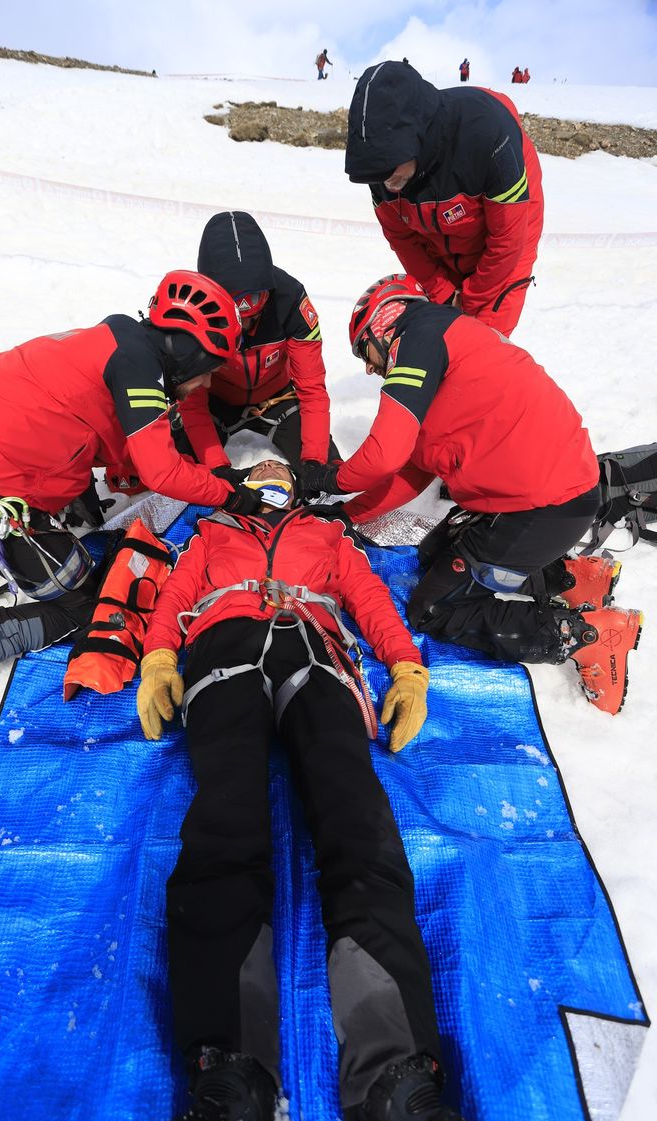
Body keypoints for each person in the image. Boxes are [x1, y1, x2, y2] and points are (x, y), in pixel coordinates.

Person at [104, 459, 578, 1121]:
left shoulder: (328, 534)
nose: (267, 473)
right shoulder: (213, 534)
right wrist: (160, 653)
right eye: (255, 466)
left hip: (319, 657)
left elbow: (367, 600)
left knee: (358, 825)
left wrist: (407, 669)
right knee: (223, 824)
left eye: (278, 468)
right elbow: (173, 595)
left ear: (295, 488)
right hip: (225, 655)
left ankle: (402, 1104)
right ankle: (230, 1099)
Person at [0, 272, 264, 695]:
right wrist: (232, 494)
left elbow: (100, 432)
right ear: (189, 355)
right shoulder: (137, 366)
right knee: (88, 609)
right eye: (210, 370)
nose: (209, 383)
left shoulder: (123, 341)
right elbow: (162, 472)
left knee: (87, 559)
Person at [298, 275, 643, 716]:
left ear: (384, 324)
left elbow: (383, 456)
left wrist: (330, 479)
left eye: (363, 349)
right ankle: (573, 578)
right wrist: (348, 514)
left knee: (433, 608)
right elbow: (410, 471)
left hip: (541, 507)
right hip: (549, 496)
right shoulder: (449, 343)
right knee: (433, 557)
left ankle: (587, 635)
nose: (367, 367)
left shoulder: (419, 336)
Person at [345, 60, 544, 337]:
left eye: (391, 173)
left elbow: (507, 242)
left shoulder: (488, 136)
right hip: (439, 232)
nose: (387, 184)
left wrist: (472, 300)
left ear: (416, 139)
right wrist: (445, 294)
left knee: (484, 338)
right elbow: (404, 240)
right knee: (439, 333)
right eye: (379, 177)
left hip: (505, 235)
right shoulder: (383, 171)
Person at [170, 211, 340, 479]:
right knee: (187, 471)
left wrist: (314, 461)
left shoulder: (291, 299)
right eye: (236, 318)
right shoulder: (191, 306)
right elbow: (192, 403)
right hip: (214, 401)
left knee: (324, 471)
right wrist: (216, 467)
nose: (246, 327)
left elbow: (312, 388)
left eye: (254, 314)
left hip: (277, 398)